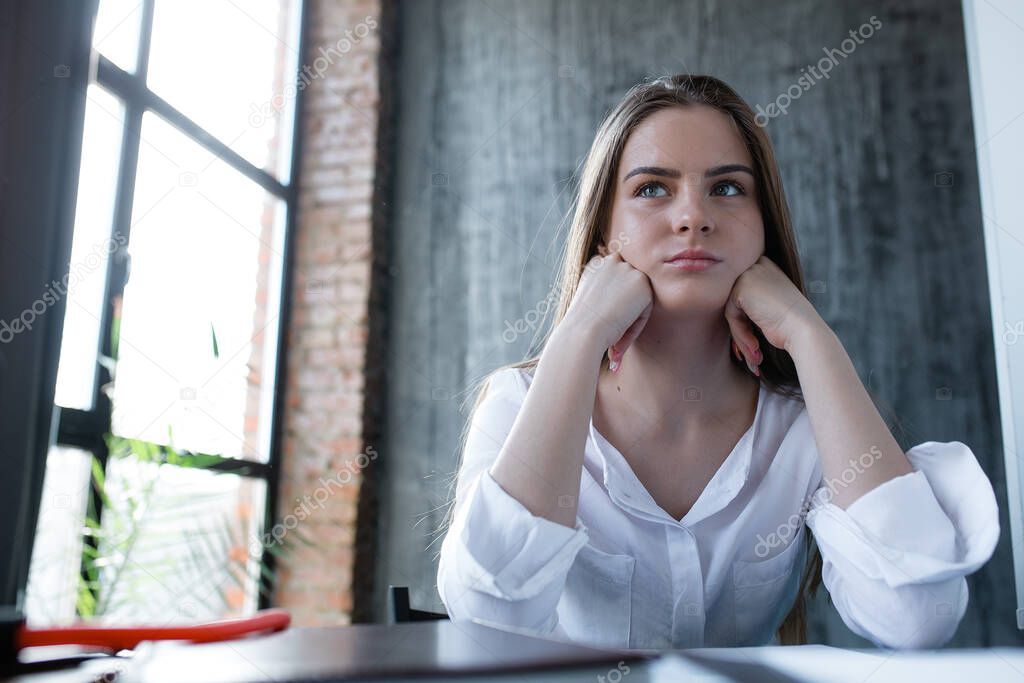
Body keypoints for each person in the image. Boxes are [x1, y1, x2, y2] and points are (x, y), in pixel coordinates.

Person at [436, 73, 999, 650]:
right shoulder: (517, 404)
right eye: (652, 188)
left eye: (727, 189)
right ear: (605, 233)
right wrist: (579, 334)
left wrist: (811, 336)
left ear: (763, 230)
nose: (693, 218)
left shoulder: (803, 430)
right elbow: (488, 619)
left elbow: (919, 619)